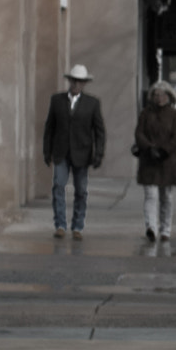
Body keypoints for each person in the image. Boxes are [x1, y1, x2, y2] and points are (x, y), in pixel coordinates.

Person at [42, 65, 106, 240]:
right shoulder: (57, 100)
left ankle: (77, 225)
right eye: (74, 80)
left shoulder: (92, 103)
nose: (77, 84)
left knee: (81, 191)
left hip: (82, 153)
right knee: (58, 186)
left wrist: (98, 153)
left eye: (80, 81)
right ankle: (60, 224)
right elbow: (50, 128)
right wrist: (46, 152)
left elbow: (99, 131)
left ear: (85, 83)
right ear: (70, 81)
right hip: (61, 151)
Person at [135, 81, 176, 242]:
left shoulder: (174, 114)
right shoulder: (145, 114)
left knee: (166, 197)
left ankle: (166, 229)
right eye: (156, 95)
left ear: (169, 96)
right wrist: (149, 148)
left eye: (162, 95)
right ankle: (151, 227)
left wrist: (164, 150)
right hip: (149, 160)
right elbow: (139, 133)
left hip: (166, 161)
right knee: (151, 195)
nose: (159, 98)